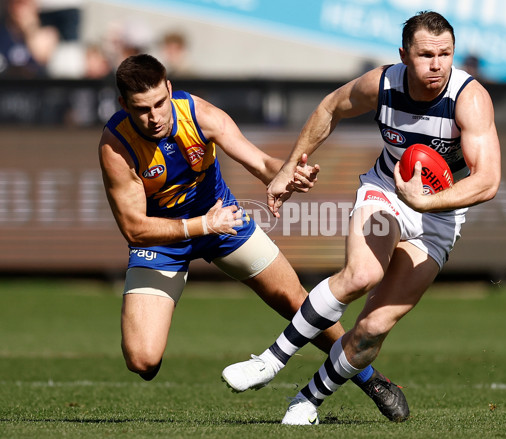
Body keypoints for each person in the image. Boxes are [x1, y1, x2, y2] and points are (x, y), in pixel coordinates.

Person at [221, 11, 501, 425]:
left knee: (373, 327)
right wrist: (287, 168)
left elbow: (488, 181)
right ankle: (270, 360)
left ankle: (308, 400)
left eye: (445, 54)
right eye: (426, 55)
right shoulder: (382, 83)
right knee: (361, 275)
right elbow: (330, 108)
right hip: (385, 190)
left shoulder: (469, 99)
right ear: (404, 55)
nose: (437, 65)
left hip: (439, 213)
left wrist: (424, 203)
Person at [98, 53, 406, 421]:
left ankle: (370, 378)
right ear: (123, 105)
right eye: (141, 109)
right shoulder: (116, 146)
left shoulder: (199, 115)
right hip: (163, 240)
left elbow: (260, 163)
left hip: (224, 223)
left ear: (169, 89)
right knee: (142, 360)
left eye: (160, 103)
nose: (154, 117)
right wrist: (200, 226)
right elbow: (134, 228)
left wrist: (288, 174)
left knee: (296, 302)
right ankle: (148, 354)